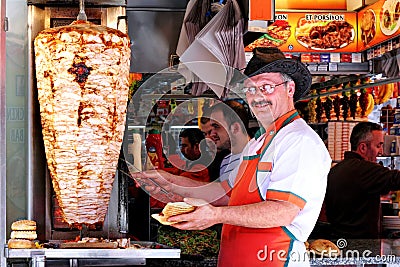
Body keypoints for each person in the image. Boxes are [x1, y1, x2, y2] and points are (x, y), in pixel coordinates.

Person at [132, 47, 331, 266]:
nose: (257, 97)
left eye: (266, 87)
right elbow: (226, 194)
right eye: (250, 90)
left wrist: (215, 216)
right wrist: (168, 182)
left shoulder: (298, 141)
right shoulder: (257, 143)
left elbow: (283, 212)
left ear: (289, 88)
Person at [325, 121, 400, 239]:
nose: (380, 151)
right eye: (378, 145)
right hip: (362, 247)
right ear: (363, 147)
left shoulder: (336, 170)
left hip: (338, 242)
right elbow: (396, 179)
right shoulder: (364, 170)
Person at [208, 100, 251, 182]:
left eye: (216, 126)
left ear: (235, 128)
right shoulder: (226, 161)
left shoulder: (256, 158)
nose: (212, 134)